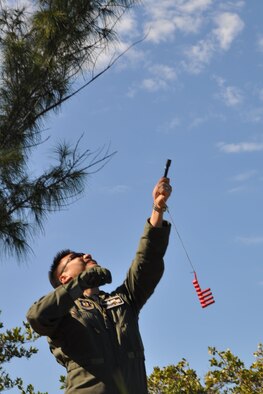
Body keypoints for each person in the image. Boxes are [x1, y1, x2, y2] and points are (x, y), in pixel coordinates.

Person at [27, 177, 172, 394]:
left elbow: (147, 262)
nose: (87, 255)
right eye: (77, 257)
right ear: (64, 278)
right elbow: (37, 317)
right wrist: (83, 282)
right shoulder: (64, 312)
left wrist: (157, 208)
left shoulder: (124, 300)